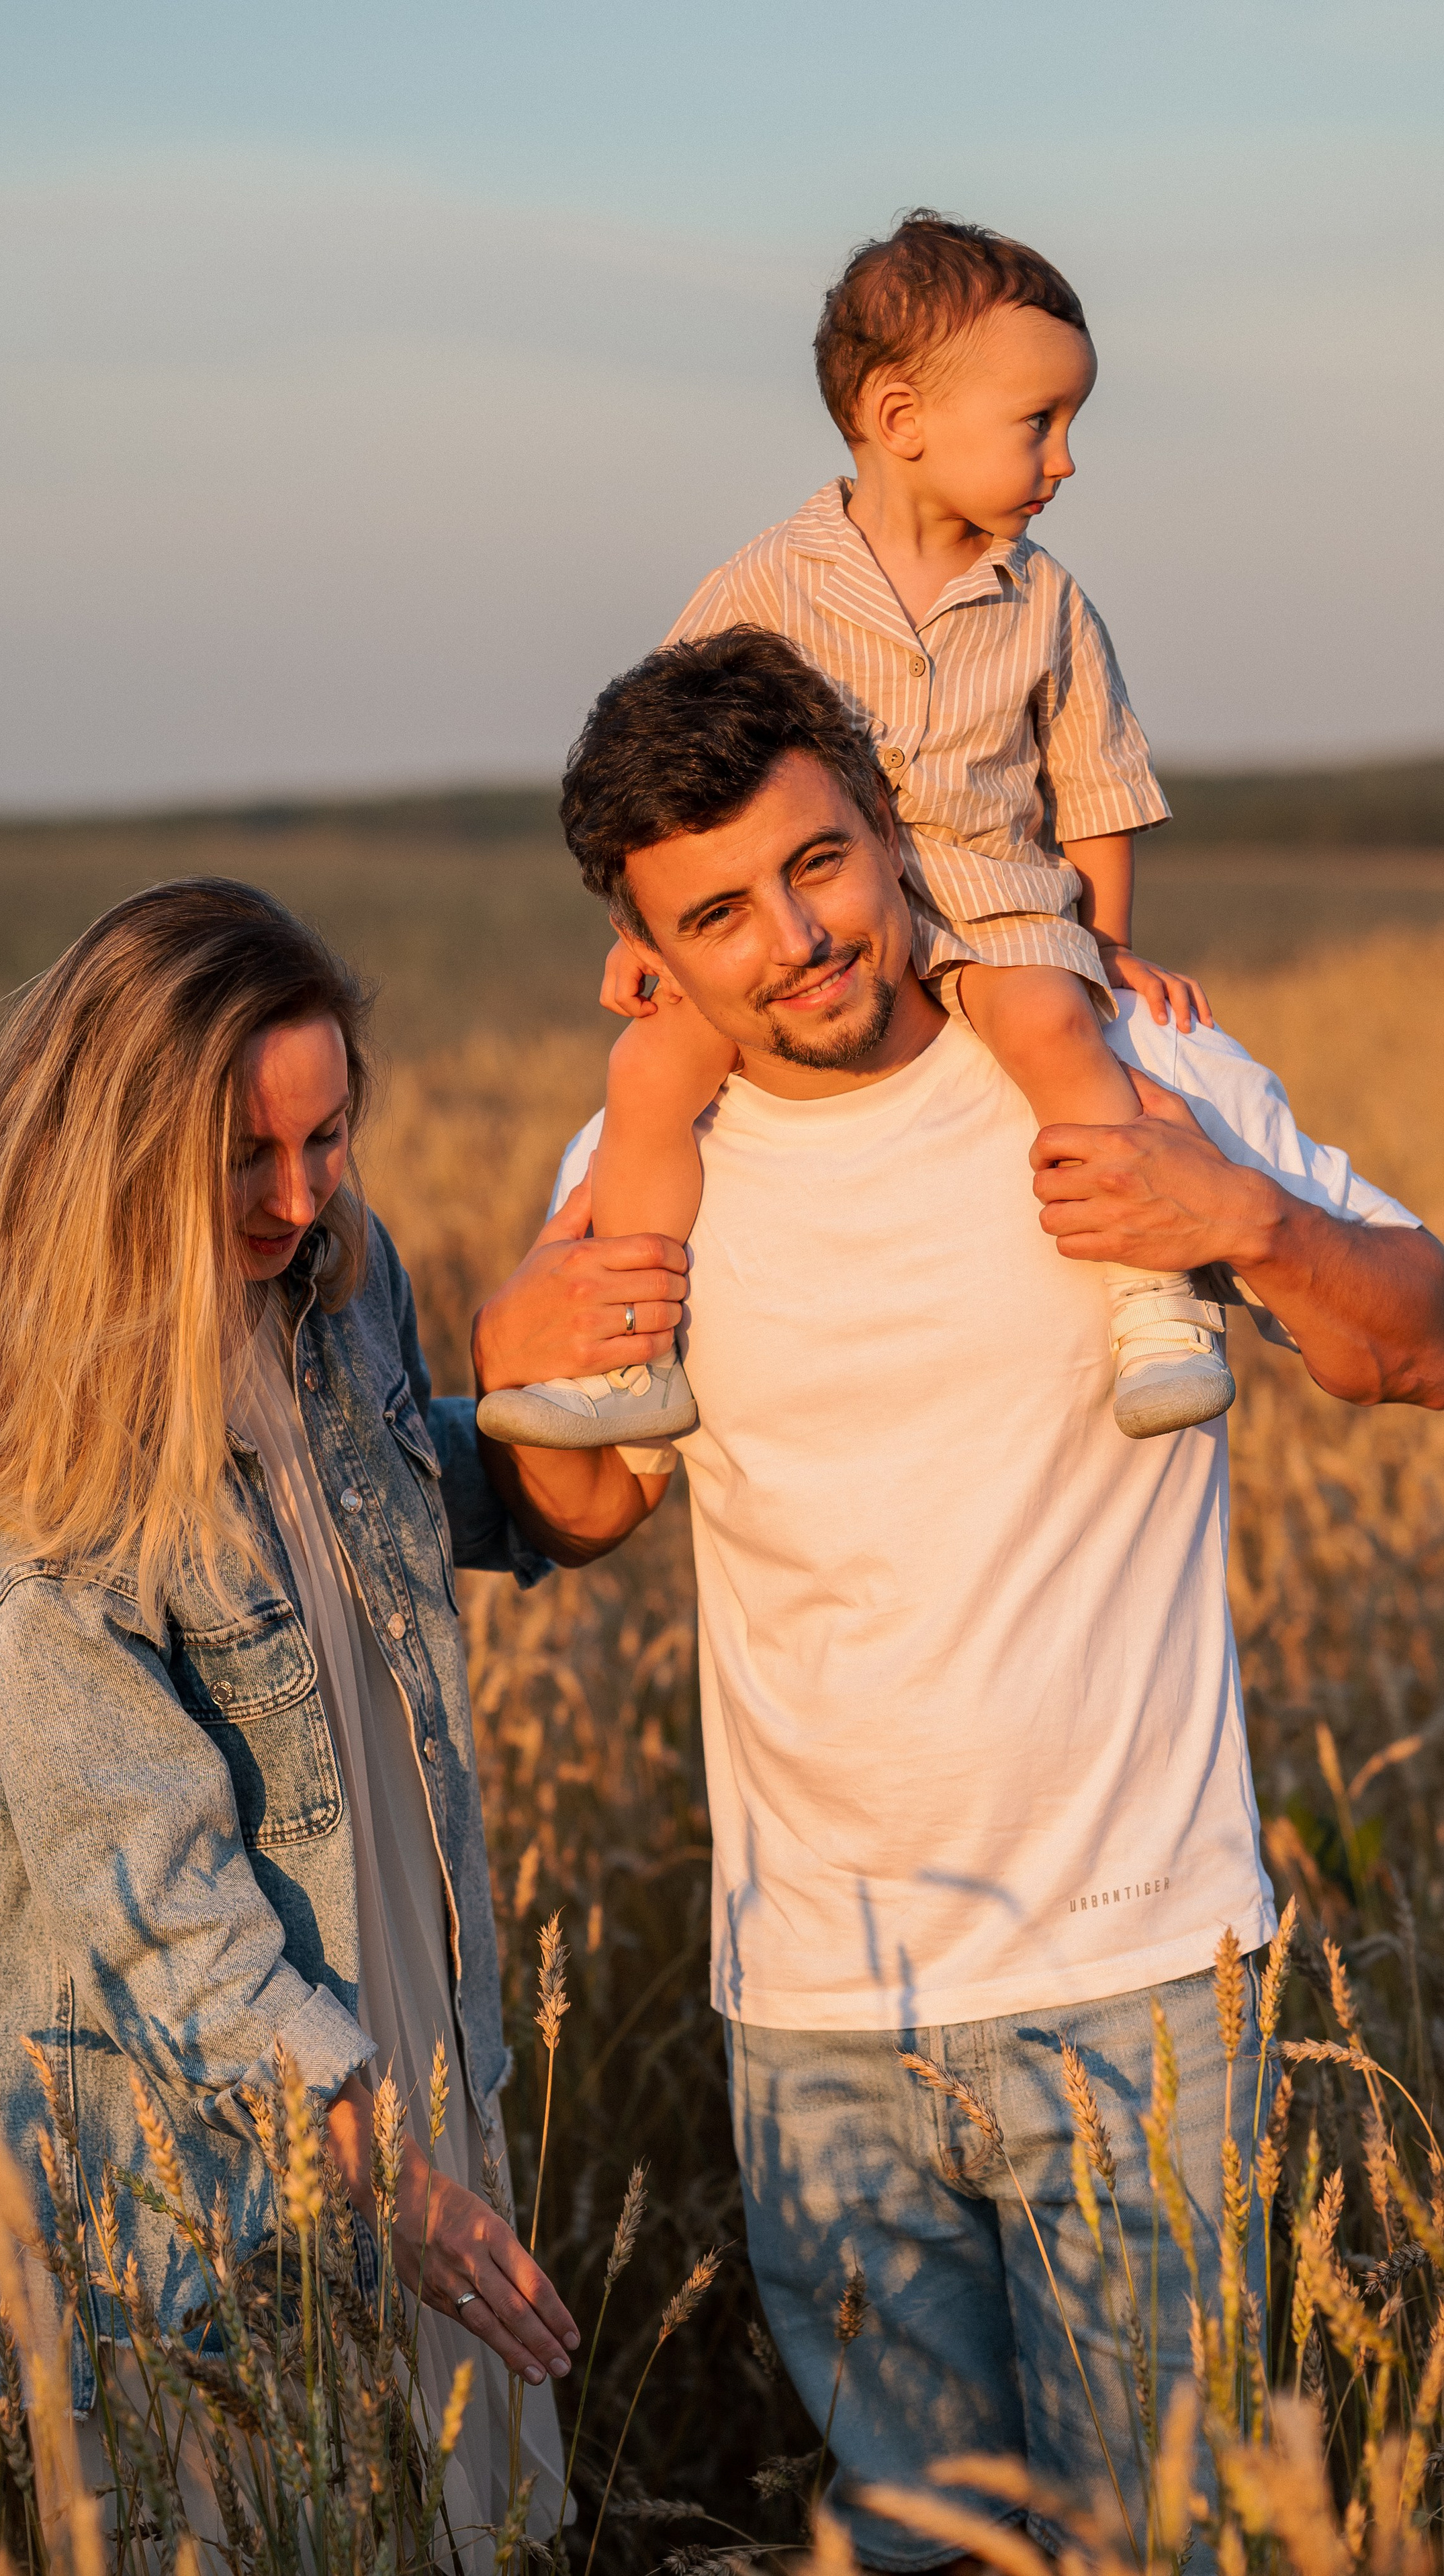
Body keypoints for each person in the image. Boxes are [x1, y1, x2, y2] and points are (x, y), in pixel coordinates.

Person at [467, 635, 1444, 2567]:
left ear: (890, 826)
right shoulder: (640, 1164)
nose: (795, 940)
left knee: (1162, 2542)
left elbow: (1415, 1338)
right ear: (646, 953)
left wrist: (1244, 1219)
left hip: (1138, 1989)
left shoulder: (1127, 1065)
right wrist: (510, 1350)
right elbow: (577, 1509)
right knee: (915, 2548)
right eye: (717, 915)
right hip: (817, 2022)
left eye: (815, 863)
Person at [0, 879, 578, 2565]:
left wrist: (563, 1423)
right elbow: (150, 1894)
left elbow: (376, 1514)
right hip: (188, 2167)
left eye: (328, 1137)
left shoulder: (335, 1281)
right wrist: (387, 2175)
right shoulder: (37, 1442)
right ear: (119, 1149)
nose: (300, 1193)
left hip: (403, 2037)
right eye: (245, 1155)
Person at [478, 210, 1233, 1455]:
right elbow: (662, 772)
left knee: (1058, 1031)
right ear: (900, 418)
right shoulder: (769, 580)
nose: (1066, 459)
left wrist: (1103, 945)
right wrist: (647, 938)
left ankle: (1155, 1299)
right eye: (1039, 421)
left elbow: (1096, 791)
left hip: (995, 901)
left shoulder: (1048, 601)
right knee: (648, 1076)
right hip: (817, 906)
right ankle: (638, 1358)